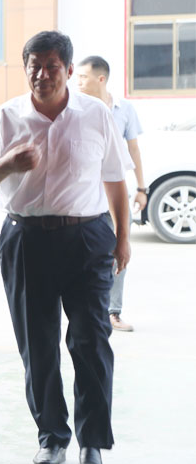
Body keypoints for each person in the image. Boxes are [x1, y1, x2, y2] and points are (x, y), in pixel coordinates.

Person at [0, 30, 130, 464]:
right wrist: (8, 165)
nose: (42, 74)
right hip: (27, 239)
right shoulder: (6, 117)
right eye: (34, 66)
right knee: (37, 344)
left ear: (69, 70)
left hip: (87, 239)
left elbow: (115, 178)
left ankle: (92, 444)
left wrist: (123, 238)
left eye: (52, 66)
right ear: (26, 69)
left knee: (91, 340)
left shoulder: (95, 114)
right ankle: (52, 436)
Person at [76, 55, 145, 332]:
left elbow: (134, 149)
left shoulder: (124, 109)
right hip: (85, 199)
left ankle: (113, 312)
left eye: (83, 77)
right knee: (86, 258)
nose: (78, 82)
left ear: (100, 79)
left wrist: (141, 188)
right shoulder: (75, 107)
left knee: (120, 252)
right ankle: (87, 310)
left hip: (115, 196)